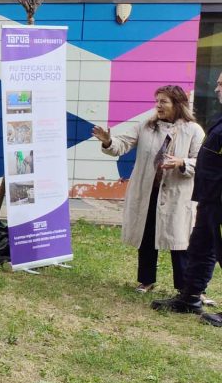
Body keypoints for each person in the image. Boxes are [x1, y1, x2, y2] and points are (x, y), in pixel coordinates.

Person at [93, 85, 204, 294]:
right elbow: (122, 144)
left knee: (178, 240)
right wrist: (108, 141)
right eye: (157, 101)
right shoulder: (146, 126)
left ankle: (184, 286)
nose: (158, 106)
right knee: (146, 236)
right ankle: (146, 280)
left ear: (177, 104)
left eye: (164, 102)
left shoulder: (193, 130)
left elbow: (201, 162)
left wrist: (181, 162)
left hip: (176, 195)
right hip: (148, 191)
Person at [153, 72, 222, 326]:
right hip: (209, 198)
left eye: (221, 84)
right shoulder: (219, 118)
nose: (216, 88)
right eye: (217, 83)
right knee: (200, 248)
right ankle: (189, 297)